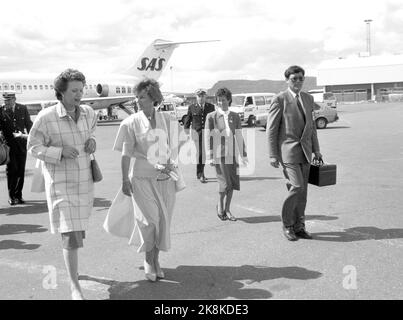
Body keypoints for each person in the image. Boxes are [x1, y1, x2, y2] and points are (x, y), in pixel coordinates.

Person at [27, 69, 97, 300]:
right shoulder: (46, 117)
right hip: (61, 185)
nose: (80, 94)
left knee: (78, 233)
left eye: (81, 89)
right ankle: (74, 287)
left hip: (84, 182)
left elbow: (92, 132)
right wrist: (59, 151)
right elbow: (33, 147)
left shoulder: (88, 112)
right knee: (71, 234)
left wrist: (92, 142)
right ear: (61, 92)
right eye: (74, 90)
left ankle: (73, 270)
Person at [111, 78, 183, 282]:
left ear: (153, 98)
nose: (137, 101)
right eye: (136, 97)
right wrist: (125, 179)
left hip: (165, 178)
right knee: (149, 221)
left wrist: (172, 165)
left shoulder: (169, 119)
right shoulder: (131, 122)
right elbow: (125, 154)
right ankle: (149, 261)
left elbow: (177, 147)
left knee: (163, 221)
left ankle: (156, 259)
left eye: (141, 97)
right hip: (141, 178)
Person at [267, 65, 323, 241]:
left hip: (305, 152)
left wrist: (317, 149)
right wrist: (272, 154)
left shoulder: (308, 98)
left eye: (300, 78)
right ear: (287, 80)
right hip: (288, 152)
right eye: (294, 78)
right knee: (296, 187)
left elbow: (312, 127)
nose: (298, 81)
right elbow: (271, 130)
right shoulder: (280, 99)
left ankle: (300, 226)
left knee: (303, 191)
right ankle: (287, 224)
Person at [205, 87, 248, 221]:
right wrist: (209, 156)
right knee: (225, 184)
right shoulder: (211, 116)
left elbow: (239, 136)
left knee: (233, 183)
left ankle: (227, 209)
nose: (221, 103)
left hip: (232, 154)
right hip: (219, 155)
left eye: (223, 100)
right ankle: (220, 206)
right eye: (218, 100)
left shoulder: (234, 116)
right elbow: (208, 137)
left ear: (228, 100)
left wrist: (244, 154)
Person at [0, 91, 33, 205]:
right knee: (11, 170)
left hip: (21, 143)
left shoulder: (22, 108)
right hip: (8, 145)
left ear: (14, 99)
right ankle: (11, 196)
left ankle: (19, 195)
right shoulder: (1, 110)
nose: (6, 102)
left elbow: (29, 124)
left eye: (8, 100)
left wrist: (33, 138)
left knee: (21, 170)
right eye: (5, 101)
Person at [183, 88, 215, 183]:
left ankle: (199, 173)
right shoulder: (192, 107)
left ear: (205, 97)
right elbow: (187, 121)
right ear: (196, 97)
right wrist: (186, 133)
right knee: (201, 154)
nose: (201, 98)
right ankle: (201, 174)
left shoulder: (211, 107)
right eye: (199, 96)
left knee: (203, 154)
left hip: (208, 134)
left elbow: (213, 121)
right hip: (197, 134)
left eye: (202, 96)